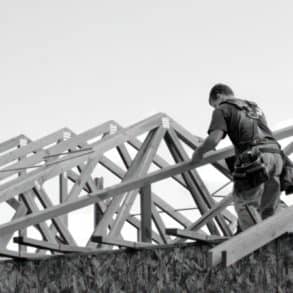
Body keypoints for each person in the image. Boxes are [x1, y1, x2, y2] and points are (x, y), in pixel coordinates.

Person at [192, 83, 283, 231]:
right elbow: (253, 134)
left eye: (213, 105)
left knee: (244, 203)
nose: (215, 108)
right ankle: (271, 245)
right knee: (268, 208)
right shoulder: (254, 107)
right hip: (276, 156)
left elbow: (215, 138)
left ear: (218, 96)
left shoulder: (223, 108)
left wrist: (199, 153)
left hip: (255, 159)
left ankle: (256, 245)